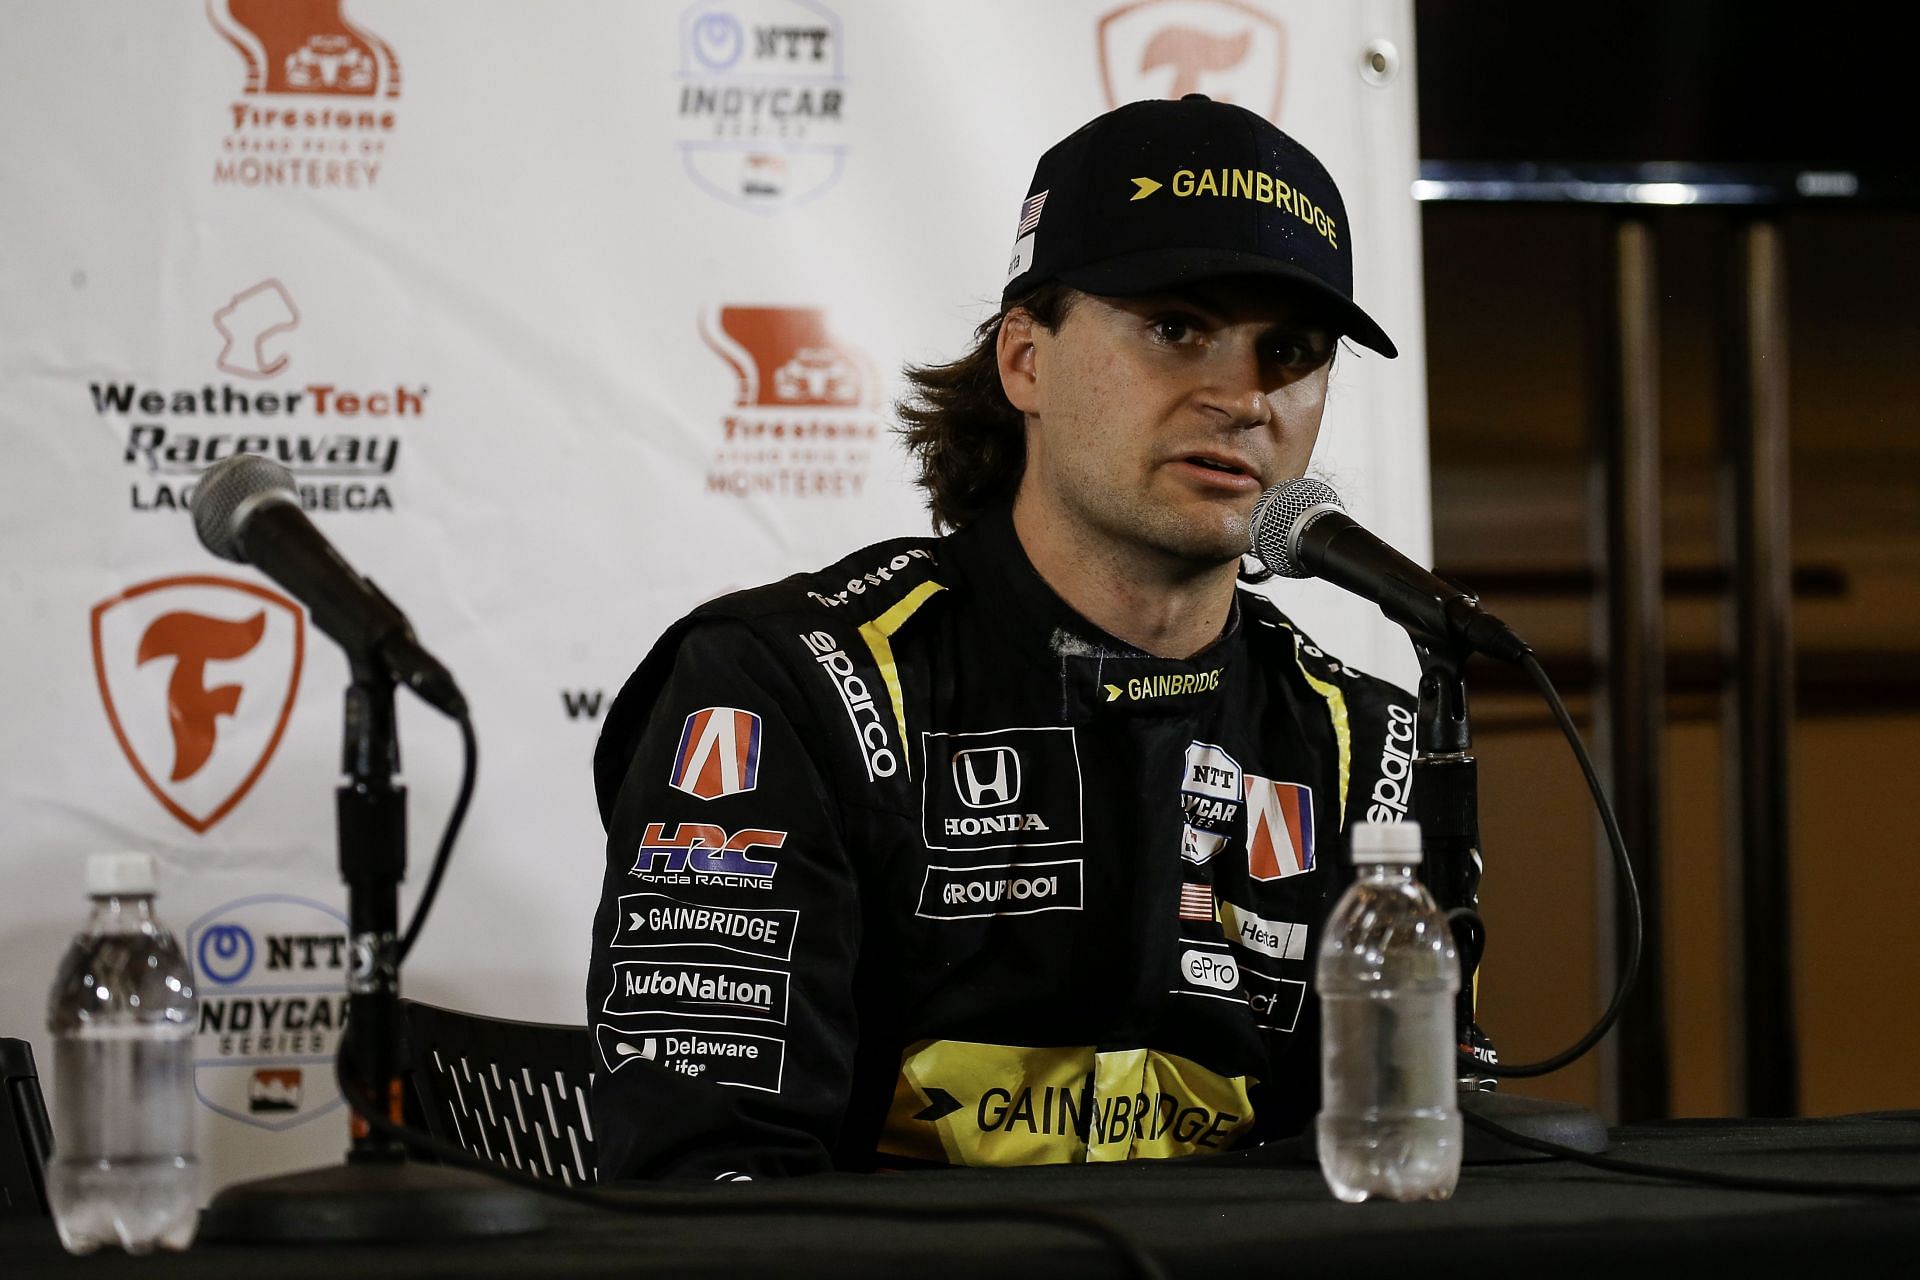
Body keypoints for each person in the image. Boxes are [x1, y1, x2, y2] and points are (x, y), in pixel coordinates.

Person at [587, 94, 1438, 1180]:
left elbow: (1406, 1167)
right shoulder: (792, 685)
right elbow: (709, 1179)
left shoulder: (1373, 742)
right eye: (1176, 328)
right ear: (1025, 359)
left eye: (1291, 351)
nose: (1241, 396)